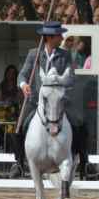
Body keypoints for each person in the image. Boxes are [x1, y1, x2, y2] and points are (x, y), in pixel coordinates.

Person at [12, 22, 74, 177]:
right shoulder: (34, 53)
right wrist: (24, 84)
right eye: (59, 35)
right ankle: (18, 162)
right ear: (49, 37)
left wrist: (61, 82)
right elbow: (22, 74)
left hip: (58, 102)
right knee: (19, 126)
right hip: (36, 102)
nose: (62, 37)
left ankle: (84, 161)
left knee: (79, 123)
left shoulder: (65, 55)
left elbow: (72, 78)